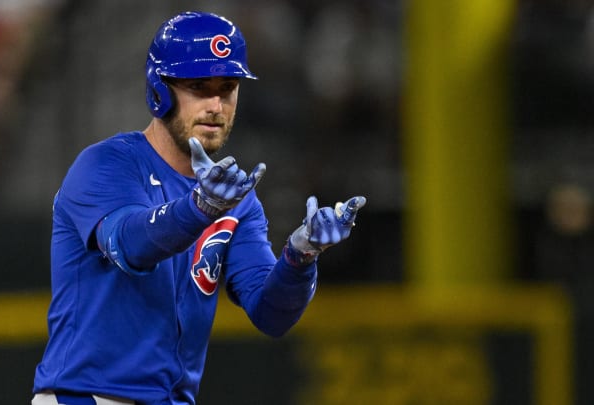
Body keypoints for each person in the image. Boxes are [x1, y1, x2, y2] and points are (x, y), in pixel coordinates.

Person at [31, 11, 366, 405]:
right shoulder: (107, 165)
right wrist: (200, 208)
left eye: (227, 88)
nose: (215, 105)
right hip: (87, 397)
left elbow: (271, 314)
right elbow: (130, 245)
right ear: (160, 88)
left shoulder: (237, 198)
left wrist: (301, 255)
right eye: (198, 87)